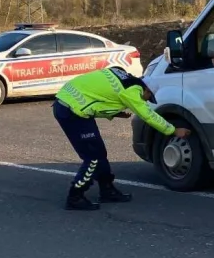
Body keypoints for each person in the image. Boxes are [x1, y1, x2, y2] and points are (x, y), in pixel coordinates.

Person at [52, 66, 191, 211]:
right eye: (149, 97)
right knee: (93, 157)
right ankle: (75, 196)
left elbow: (99, 95)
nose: (146, 101)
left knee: (100, 153)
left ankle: (107, 190)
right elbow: (148, 115)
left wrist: (114, 113)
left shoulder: (124, 77)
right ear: (147, 90)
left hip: (71, 104)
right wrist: (173, 130)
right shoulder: (133, 91)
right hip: (71, 111)